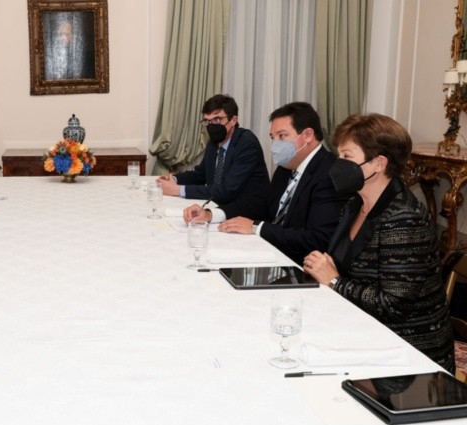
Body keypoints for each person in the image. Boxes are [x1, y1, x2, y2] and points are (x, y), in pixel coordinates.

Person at [303, 113, 455, 373]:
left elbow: (393, 307)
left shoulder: (403, 218)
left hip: (406, 353)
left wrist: (333, 280)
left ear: (378, 163)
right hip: (361, 330)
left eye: (347, 157)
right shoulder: (355, 205)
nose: (338, 164)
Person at [183, 102, 347, 265]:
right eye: (272, 138)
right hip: (269, 251)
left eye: (282, 136)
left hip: (299, 264)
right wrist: (211, 214)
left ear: (308, 135)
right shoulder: (286, 167)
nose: (275, 144)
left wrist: (256, 227)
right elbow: (261, 203)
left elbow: (316, 238)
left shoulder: (329, 174)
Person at [157, 94, 270, 204]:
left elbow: (226, 190)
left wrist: (177, 190)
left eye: (217, 119)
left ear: (233, 120)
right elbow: (200, 175)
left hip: (245, 212)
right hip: (217, 205)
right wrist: (174, 180)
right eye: (207, 121)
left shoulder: (246, 143)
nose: (211, 126)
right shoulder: (214, 143)